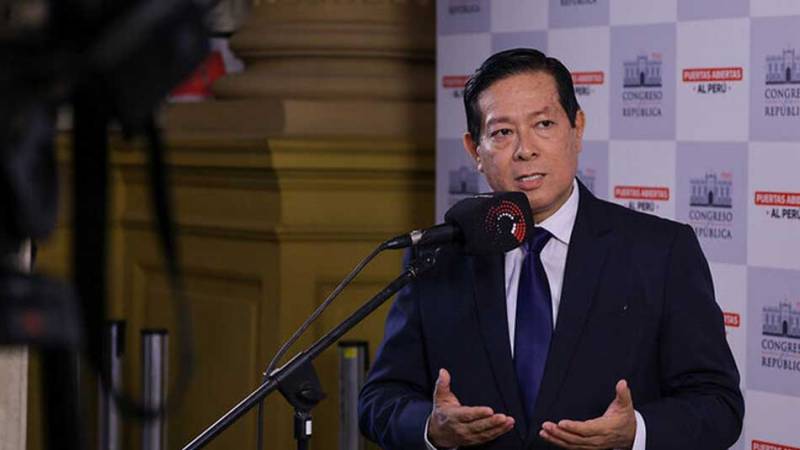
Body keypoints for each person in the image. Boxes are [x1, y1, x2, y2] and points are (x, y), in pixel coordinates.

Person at [358, 48, 743, 450]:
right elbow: (379, 398)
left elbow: (719, 404)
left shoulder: (660, 252)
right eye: (502, 133)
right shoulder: (438, 258)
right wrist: (432, 427)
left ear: (577, 128)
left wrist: (635, 432)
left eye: (543, 124)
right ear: (475, 150)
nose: (525, 149)